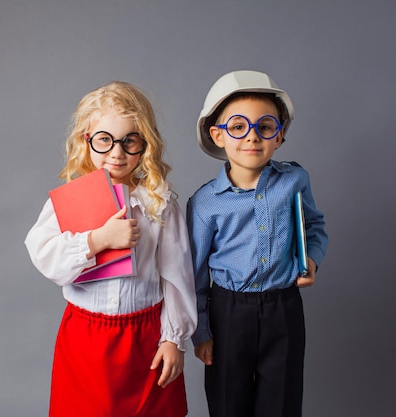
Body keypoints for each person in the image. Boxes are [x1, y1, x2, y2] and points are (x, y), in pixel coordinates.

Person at [25, 81, 197, 417]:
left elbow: (177, 276)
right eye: (104, 140)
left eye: (129, 141)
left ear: (145, 144)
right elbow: (46, 257)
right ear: (85, 141)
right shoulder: (71, 199)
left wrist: (173, 339)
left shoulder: (159, 203)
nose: (116, 153)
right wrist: (98, 240)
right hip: (85, 339)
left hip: (146, 339)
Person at [187, 70, 329, 417]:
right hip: (227, 313)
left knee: (281, 402)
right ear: (217, 135)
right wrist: (201, 331)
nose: (252, 138)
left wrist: (310, 260)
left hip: (284, 309)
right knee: (227, 402)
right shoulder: (205, 202)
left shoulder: (295, 180)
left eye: (265, 127)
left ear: (279, 136)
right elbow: (193, 274)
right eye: (238, 127)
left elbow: (314, 226)